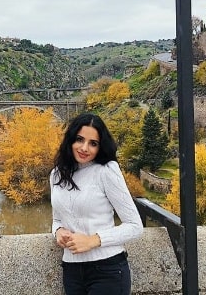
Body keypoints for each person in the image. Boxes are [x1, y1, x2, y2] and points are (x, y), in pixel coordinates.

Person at [50, 113, 144, 295]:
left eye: (93, 143)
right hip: (72, 270)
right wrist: (58, 231)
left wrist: (93, 240)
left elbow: (135, 226)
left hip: (107, 270)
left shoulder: (106, 171)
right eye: (79, 139)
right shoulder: (56, 175)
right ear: (70, 140)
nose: (84, 148)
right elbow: (57, 219)